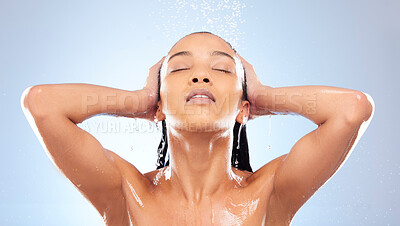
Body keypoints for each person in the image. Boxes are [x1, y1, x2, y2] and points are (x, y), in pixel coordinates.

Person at [21, 31, 374, 225]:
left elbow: (351, 110)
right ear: (158, 107)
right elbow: (42, 104)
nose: (200, 75)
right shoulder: (127, 193)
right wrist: (139, 99)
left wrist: (263, 96)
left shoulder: (270, 192)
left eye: (221, 70)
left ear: (243, 107)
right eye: (178, 69)